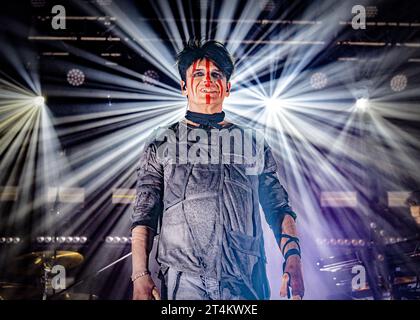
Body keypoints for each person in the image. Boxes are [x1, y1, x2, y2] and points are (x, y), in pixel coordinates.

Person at [130, 39, 304, 300]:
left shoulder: (252, 141)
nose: (208, 80)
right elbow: (145, 212)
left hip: (245, 279)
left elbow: (277, 206)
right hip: (183, 278)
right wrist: (140, 275)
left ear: (228, 87)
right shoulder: (162, 140)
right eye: (198, 73)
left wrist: (294, 258)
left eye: (216, 74)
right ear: (184, 86)